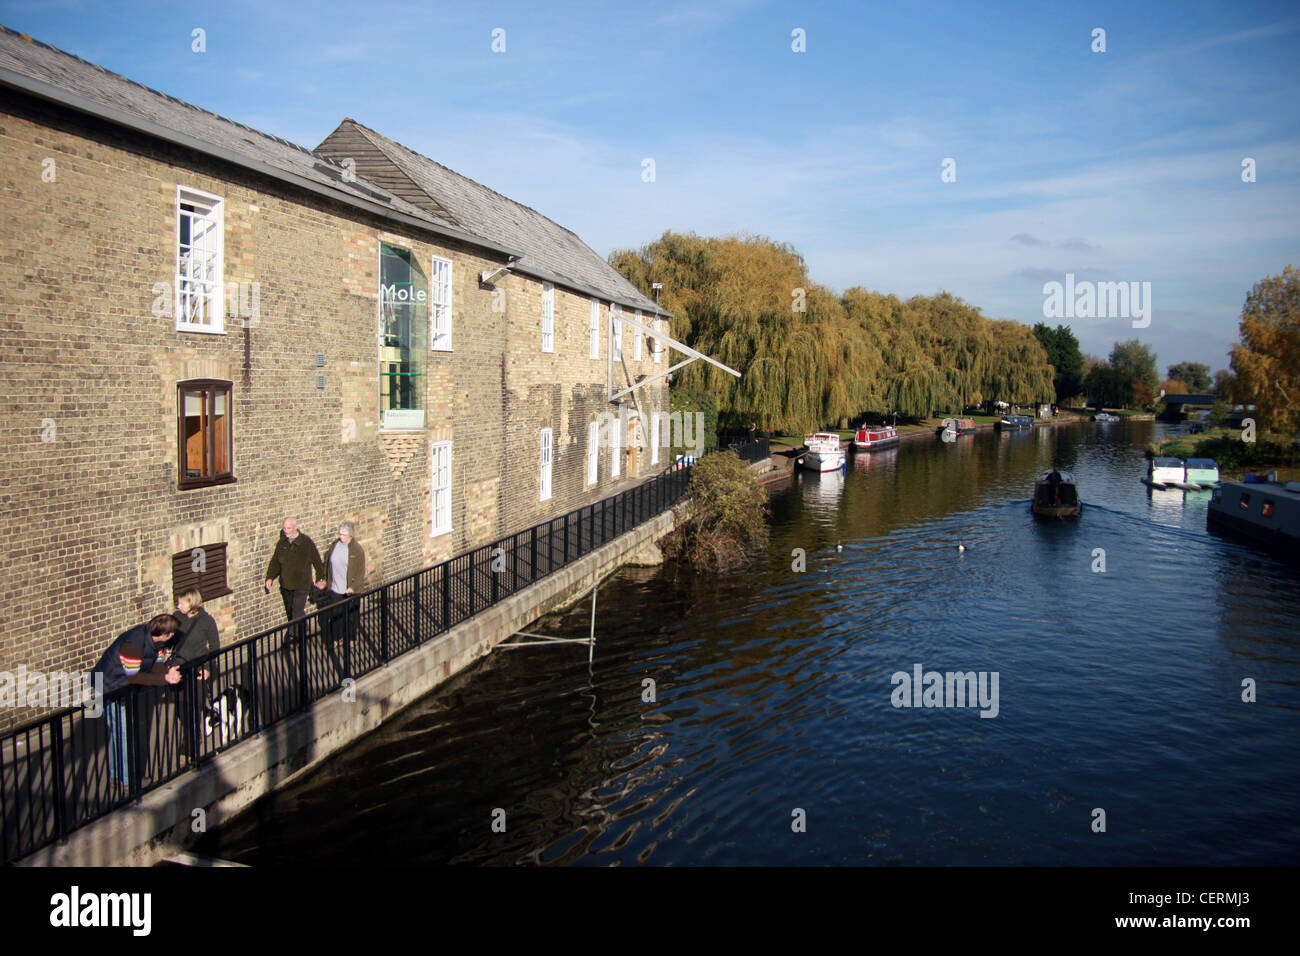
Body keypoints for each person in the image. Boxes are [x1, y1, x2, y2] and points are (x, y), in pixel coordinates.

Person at [92, 614, 183, 788]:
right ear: (164, 634)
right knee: (124, 732)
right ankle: (127, 781)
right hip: (110, 686)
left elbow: (155, 664)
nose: (173, 637)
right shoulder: (133, 645)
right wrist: (165, 679)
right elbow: (134, 677)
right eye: (171, 634)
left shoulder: (154, 641)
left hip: (117, 685)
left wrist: (166, 671)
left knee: (119, 731)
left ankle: (118, 776)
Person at [319, 522, 366, 678]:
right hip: (336, 586)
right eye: (339, 534)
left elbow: (360, 572)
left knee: (351, 614)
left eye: (343, 535)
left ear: (350, 535)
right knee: (335, 613)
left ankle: (351, 637)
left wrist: (353, 586)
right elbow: (328, 563)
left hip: (350, 588)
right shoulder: (335, 546)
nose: (340, 537)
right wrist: (326, 580)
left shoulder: (357, 550)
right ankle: (337, 637)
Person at [265, 516, 325, 623]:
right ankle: (302, 633)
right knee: (290, 613)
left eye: (289, 528)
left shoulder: (306, 542)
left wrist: (320, 579)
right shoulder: (282, 543)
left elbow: (317, 562)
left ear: (296, 527)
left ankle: (293, 636)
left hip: (301, 585)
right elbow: (275, 562)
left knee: (297, 611)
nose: (286, 531)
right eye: (284, 528)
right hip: (286, 586)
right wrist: (270, 578)